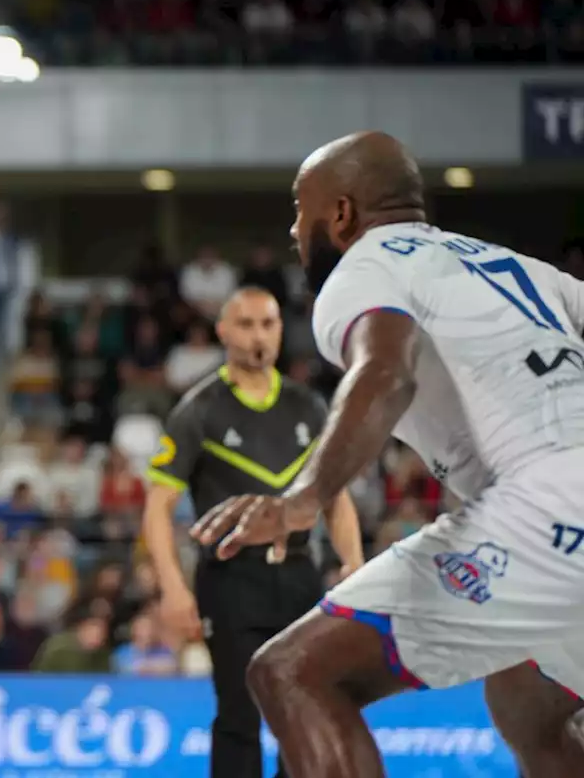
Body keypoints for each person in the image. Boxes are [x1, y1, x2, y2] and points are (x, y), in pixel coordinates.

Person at [193, 131, 584, 777]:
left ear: (341, 214)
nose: (294, 230)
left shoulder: (364, 267)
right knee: (525, 695)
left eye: (300, 208)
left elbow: (385, 372)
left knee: (293, 672)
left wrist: (302, 499)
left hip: (548, 502)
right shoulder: (515, 267)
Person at [143, 286, 364, 778]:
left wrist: (353, 565)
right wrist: (173, 588)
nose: (258, 335)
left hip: (301, 575)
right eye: (245, 324)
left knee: (301, 712)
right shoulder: (197, 411)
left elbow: (337, 498)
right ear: (222, 331)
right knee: (240, 715)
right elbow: (157, 509)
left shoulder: (309, 407)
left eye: (268, 324)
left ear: (282, 331)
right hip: (229, 580)